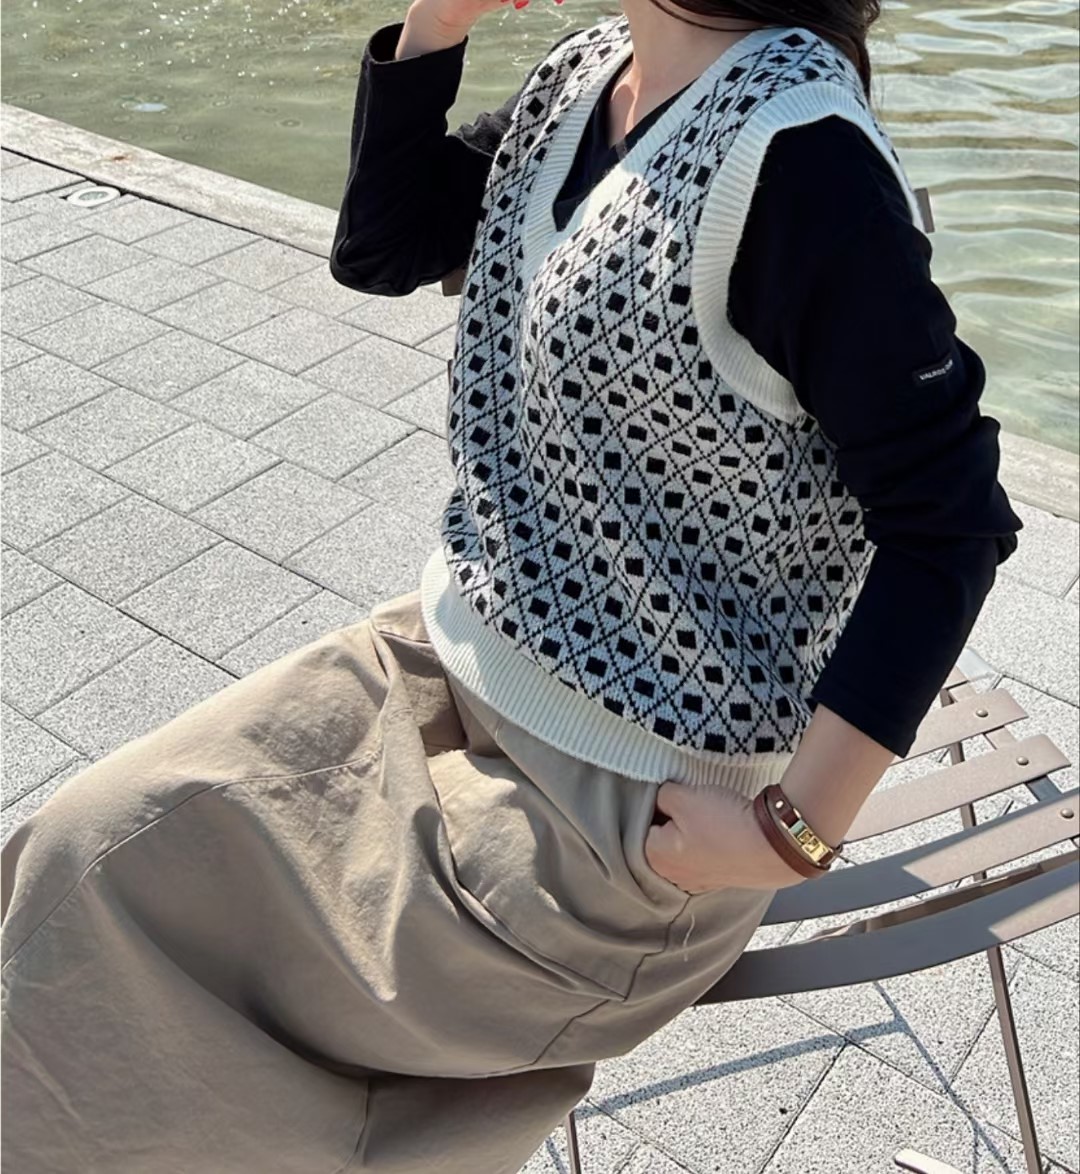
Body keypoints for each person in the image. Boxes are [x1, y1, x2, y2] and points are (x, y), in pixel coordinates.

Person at [1, 0, 1023, 1170]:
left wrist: (791, 833)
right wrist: (438, 21)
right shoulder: (588, 79)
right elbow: (383, 247)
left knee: (173, 1019)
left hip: (616, 806)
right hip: (444, 667)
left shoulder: (800, 160)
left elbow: (951, 522)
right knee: (76, 857)